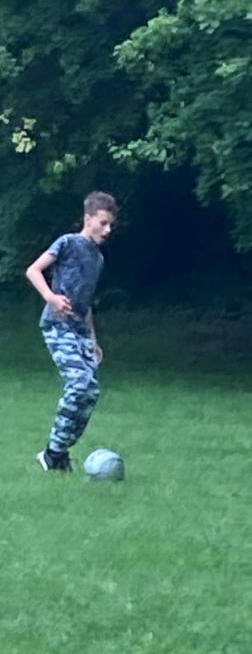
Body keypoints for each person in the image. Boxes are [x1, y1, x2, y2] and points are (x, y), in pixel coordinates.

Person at [25, 191, 117, 472]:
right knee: (78, 382)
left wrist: (93, 340)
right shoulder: (67, 242)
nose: (107, 230)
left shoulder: (97, 259)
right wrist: (51, 298)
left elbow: (85, 303)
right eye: (103, 223)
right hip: (57, 324)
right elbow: (33, 270)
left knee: (91, 391)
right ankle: (52, 454)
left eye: (110, 225)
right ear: (88, 219)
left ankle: (59, 451)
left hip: (79, 331)